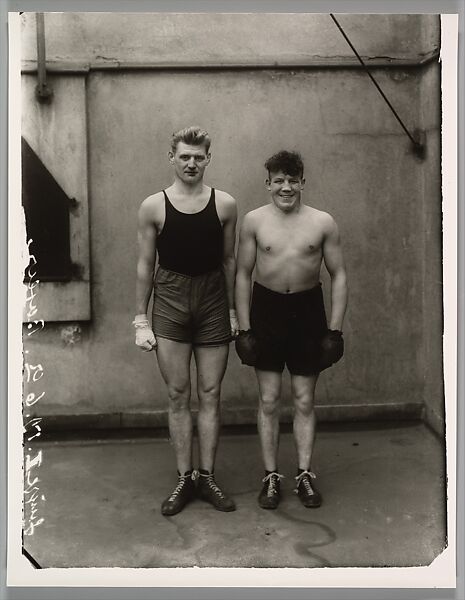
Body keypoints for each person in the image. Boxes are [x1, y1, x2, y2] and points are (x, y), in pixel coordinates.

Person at [134, 126, 239, 516]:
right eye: (184, 157)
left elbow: (229, 262)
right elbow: (146, 264)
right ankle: (184, 477)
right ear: (172, 158)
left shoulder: (225, 204)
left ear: (208, 159)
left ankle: (206, 476)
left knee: (210, 393)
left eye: (198, 157)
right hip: (171, 301)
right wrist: (139, 319)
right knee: (178, 394)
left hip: (213, 300)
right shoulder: (153, 206)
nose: (191, 163)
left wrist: (232, 312)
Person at [235, 150, 348, 510]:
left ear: (303, 182)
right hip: (267, 311)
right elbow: (242, 274)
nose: (286, 187)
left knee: (303, 399)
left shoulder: (322, 222)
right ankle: (270, 476)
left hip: (307, 313)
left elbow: (339, 275)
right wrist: (244, 328)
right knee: (268, 401)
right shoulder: (253, 221)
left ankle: (303, 475)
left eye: (292, 180)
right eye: (278, 180)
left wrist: (335, 330)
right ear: (268, 183)